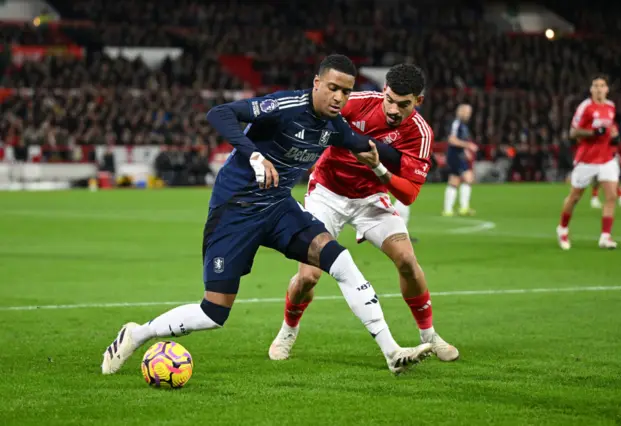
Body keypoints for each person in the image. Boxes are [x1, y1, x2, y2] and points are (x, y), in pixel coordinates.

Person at [100, 55, 433, 376]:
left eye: (345, 91)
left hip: (277, 208)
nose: (339, 97)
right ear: (317, 83)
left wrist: (403, 161)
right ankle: (137, 334)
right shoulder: (284, 107)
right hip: (235, 211)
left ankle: (392, 352)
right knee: (214, 312)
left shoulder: (334, 127)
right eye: (332, 87)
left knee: (340, 261)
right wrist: (254, 154)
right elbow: (219, 114)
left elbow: (368, 145)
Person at [268, 64, 459, 363]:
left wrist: (378, 167)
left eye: (404, 104)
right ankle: (287, 331)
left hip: (371, 197)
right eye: (390, 99)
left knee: (407, 259)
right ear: (384, 91)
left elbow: (408, 193)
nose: (394, 109)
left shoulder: (420, 134)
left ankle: (429, 335)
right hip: (327, 192)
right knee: (309, 276)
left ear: (418, 102)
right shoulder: (357, 102)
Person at [557, 74, 619, 250]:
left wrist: (613, 134)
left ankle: (605, 237)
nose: (599, 89)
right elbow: (573, 132)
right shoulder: (586, 107)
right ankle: (562, 228)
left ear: (607, 89)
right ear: (591, 89)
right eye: (595, 86)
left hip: (607, 158)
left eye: (602, 86)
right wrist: (593, 133)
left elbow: (610, 127)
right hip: (587, 159)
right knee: (575, 197)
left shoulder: (611, 107)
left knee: (611, 195)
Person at [443, 104, 478, 216]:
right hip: (454, 155)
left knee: (467, 178)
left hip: (459, 155)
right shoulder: (456, 123)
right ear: (461, 112)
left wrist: (466, 151)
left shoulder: (463, 126)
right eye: (467, 112)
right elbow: (452, 140)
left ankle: (461, 208)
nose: (469, 115)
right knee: (456, 180)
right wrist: (468, 145)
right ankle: (449, 209)